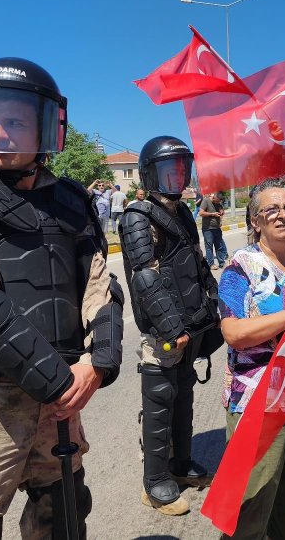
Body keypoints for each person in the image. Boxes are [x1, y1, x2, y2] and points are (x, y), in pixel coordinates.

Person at [0, 57, 124, 540]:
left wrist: (97, 364)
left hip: (65, 392)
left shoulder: (73, 200)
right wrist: (62, 385)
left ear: (45, 127)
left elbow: (101, 284)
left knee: (66, 512)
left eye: (14, 121)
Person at [119, 135, 224, 515]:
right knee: (160, 403)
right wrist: (170, 327)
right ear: (150, 175)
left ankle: (180, 467)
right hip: (163, 332)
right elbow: (145, 276)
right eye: (168, 170)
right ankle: (156, 481)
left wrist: (214, 306)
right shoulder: (137, 216)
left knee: (184, 397)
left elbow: (196, 261)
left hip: (190, 326)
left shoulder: (181, 212)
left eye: (181, 169)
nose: (176, 178)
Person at [217, 177, 285, 539]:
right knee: (251, 502)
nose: (283, 216)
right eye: (272, 210)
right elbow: (233, 332)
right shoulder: (241, 265)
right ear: (255, 221)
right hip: (257, 400)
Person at [199, 191, 228, 269]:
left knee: (219, 246)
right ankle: (211, 264)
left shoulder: (218, 203)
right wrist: (212, 214)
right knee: (209, 247)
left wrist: (222, 213)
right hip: (208, 229)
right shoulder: (206, 200)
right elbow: (201, 213)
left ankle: (221, 263)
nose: (218, 202)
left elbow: (222, 210)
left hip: (217, 228)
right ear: (214, 197)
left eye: (219, 201)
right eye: (217, 201)